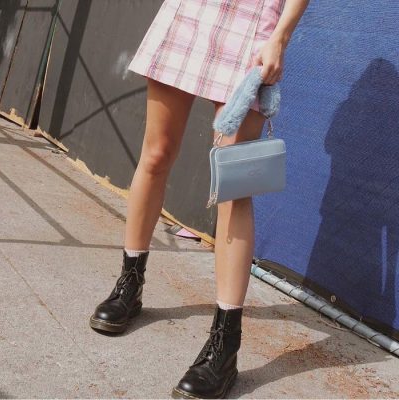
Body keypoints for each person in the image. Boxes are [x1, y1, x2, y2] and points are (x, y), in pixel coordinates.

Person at [89, 0, 309, 398]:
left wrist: (281, 37)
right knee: (156, 155)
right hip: (190, 15)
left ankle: (224, 346)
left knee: (233, 187)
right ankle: (129, 284)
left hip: (251, 29)